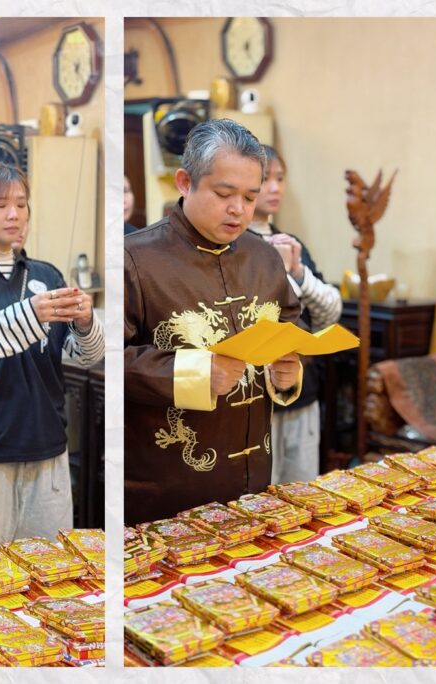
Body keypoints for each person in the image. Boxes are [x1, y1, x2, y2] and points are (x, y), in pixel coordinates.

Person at [124, 119, 303, 525]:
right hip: (166, 486)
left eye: (250, 196)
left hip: (254, 474)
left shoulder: (263, 257)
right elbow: (107, 362)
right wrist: (195, 373)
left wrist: (289, 372)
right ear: (185, 182)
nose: (238, 208)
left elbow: (292, 326)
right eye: (224, 194)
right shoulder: (134, 259)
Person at [0, 161, 104, 549]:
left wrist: (85, 322)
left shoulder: (46, 274)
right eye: (0, 205)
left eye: (21, 204)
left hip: (47, 445)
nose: (14, 214)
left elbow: (81, 356)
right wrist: (30, 314)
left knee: (51, 567)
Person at [250, 144, 343, 483]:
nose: (275, 188)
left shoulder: (290, 242)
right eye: (266, 179)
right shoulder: (235, 245)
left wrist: (298, 272)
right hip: (257, 395)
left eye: (280, 178)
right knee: (260, 495)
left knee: (304, 490)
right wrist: (283, 274)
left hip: (304, 389)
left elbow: (329, 314)